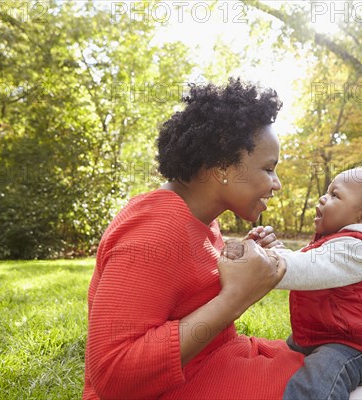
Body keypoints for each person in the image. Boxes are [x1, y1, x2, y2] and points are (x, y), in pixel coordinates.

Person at [82, 78, 306, 399]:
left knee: (339, 367)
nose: (277, 184)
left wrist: (243, 254)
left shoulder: (198, 216)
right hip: (181, 386)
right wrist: (235, 298)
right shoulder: (155, 226)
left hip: (215, 366)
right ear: (223, 166)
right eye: (269, 169)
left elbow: (189, 280)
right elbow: (113, 375)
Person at [227, 166, 362, 400]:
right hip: (323, 339)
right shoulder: (336, 243)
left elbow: (304, 268)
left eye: (335, 195)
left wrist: (260, 260)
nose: (323, 197)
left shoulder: (358, 249)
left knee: (317, 382)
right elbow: (309, 265)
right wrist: (273, 251)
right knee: (279, 360)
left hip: (359, 349)